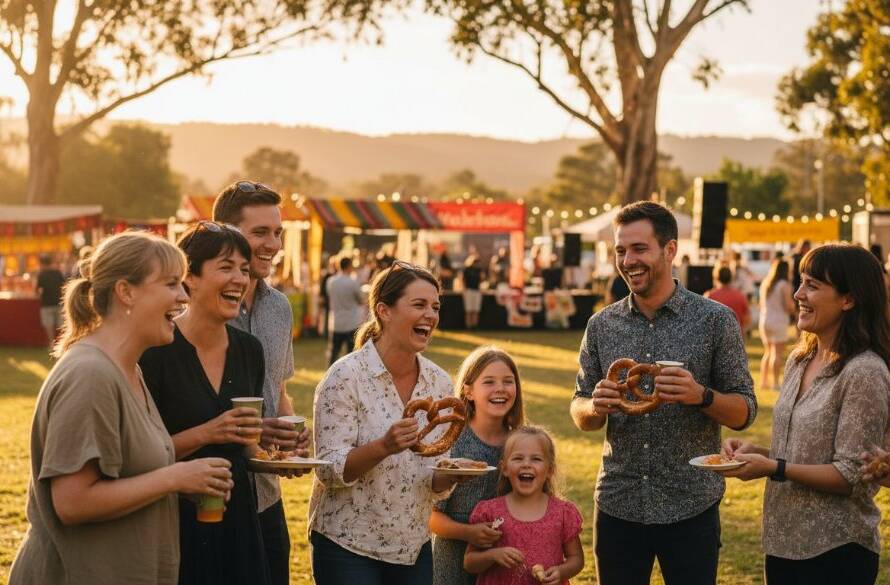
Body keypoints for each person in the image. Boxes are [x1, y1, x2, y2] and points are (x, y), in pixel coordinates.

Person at [10, 232, 233, 585]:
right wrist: (174, 477)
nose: (182, 296)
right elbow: (72, 503)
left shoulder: (129, 368)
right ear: (126, 292)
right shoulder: (90, 375)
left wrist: (182, 483)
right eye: (171, 284)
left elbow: (128, 474)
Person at [570, 201, 756, 585]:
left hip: (691, 504)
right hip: (618, 504)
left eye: (639, 249)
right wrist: (594, 406)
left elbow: (744, 411)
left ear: (670, 250)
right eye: (621, 251)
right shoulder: (602, 325)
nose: (628, 260)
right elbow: (579, 408)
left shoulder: (715, 321)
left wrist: (700, 396)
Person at [720, 244, 890, 585]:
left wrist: (774, 467)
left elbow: (850, 475)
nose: (798, 294)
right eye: (800, 282)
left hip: (835, 550)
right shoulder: (798, 361)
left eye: (812, 285)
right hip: (784, 544)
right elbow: (807, 458)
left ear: (849, 299)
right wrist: (761, 454)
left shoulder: (864, 371)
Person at [309, 261, 469, 584]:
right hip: (348, 546)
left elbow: (431, 476)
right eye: (419, 304)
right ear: (384, 311)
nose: (431, 315)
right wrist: (384, 446)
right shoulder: (345, 377)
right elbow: (328, 470)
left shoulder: (438, 382)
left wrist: (449, 475)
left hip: (412, 545)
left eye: (435, 306)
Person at [139, 222, 275, 585]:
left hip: (238, 522)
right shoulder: (155, 352)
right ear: (190, 278)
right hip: (173, 521)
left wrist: (271, 454)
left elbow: (244, 449)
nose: (239, 279)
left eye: (244, 270)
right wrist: (208, 432)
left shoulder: (249, 350)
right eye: (226, 266)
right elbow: (139, 457)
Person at [212, 180, 311, 585]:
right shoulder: (200, 307)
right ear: (227, 235)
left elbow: (279, 390)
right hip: (214, 489)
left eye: (277, 232)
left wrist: (292, 438)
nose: (272, 244)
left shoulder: (279, 307)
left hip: (266, 494)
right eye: (260, 233)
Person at [431, 346, 526, 585]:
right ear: (468, 391)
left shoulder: (522, 443)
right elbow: (429, 516)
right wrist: (469, 532)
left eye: (508, 381)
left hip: (506, 559)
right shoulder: (452, 440)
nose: (500, 389)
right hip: (453, 560)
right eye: (489, 382)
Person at [464, 426, 584, 585]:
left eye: (536, 459)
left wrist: (561, 572)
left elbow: (576, 559)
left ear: (550, 470)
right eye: (518, 458)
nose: (526, 464)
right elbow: (469, 562)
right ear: (504, 468)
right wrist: (493, 555)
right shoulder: (490, 512)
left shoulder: (563, 513)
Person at [758, 259, 796, 391]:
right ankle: (774, 382)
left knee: (767, 352)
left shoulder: (766, 283)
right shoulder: (784, 285)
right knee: (777, 353)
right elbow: (788, 306)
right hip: (779, 320)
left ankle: (763, 381)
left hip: (765, 319)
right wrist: (795, 308)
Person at [326, 255, 365, 365]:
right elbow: (361, 300)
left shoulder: (331, 282)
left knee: (334, 352)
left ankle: (330, 375)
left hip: (336, 322)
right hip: (351, 321)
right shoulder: (352, 282)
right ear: (349, 266)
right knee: (351, 355)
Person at [705, 266, 750, 331]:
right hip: (736, 336)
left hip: (715, 337)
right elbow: (747, 318)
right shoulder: (740, 296)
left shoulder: (709, 296)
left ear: (716, 278)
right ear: (731, 278)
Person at [35, 254, 65, 350]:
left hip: (46, 303)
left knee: (49, 326)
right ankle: (61, 344)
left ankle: (52, 345)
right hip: (58, 302)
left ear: (42, 264)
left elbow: (37, 290)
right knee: (61, 326)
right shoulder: (58, 273)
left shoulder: (41, 275)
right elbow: (64, 286)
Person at [461, 253, 484, 329]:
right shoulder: (466, 269)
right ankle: (468, 326)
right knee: (469, 310)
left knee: (476, 310)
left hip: (477, 291)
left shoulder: (479, 270)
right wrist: (464, 289)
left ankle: (475, 326)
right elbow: (463, 280)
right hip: (469, 290)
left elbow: (481, 280)